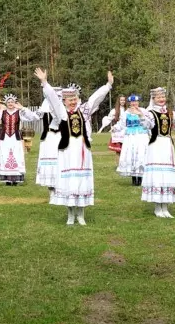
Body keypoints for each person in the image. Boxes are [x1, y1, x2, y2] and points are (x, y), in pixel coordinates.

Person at [35, 67, 113, 226]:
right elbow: (52, 99)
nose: (72, 102)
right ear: (64, 101)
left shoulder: (84, 111)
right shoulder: (61, 113)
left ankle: (81, 214)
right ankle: (71, 214)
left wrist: (108, 85)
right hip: (68, 152)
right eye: (69, 99)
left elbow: (96, 98)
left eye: (74, 99)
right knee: (69, 183)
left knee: (82, 181)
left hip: (83, 151)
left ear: (78, 99)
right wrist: (44, 82)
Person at [0, 91, 47, 185]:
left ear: (15, 103)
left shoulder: (20, 113)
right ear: (6, 103)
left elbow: (32, 117)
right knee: (5, 156)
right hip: (5, 138)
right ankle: (7, 179)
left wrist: (22, 108)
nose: (10, 104)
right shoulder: (2, 113)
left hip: (15, 138)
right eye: (8, 102)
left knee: (16, 156)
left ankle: (15, 179)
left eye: (12, 102)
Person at [141, 87, 175, 218]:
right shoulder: (150, 112)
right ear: (153, 99)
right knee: (158, 175)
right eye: (158, 97)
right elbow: (147, 125)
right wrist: (142, 116)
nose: (161, 99)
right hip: (156, 145)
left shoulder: (171, 113)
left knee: (167, 175)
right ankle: (158, 207)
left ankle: (165, 207)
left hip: (167, 144)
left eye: (163, 97)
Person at [116, 94, 150, 186]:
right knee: (131, 155)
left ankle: (141, 177)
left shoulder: (143, 111)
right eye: (132, 102)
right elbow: (121, 124)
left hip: (141, 135)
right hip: (130, 136)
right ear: (130, 103)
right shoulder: (126, 113)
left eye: (136, 102)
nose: (134, 103)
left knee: (141, 155)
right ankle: (134, 178)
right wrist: (115, 128)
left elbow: (148, 123)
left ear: (138, 102)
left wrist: (141, 115)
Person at [35, 91, 63, 189]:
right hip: (48, 136)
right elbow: (34, 116)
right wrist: (23, 109)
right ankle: (49, 181)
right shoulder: (44, 108)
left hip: (61, 136)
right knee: (49, 157)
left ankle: (60, 179)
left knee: (60, 157)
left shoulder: (62, 109)